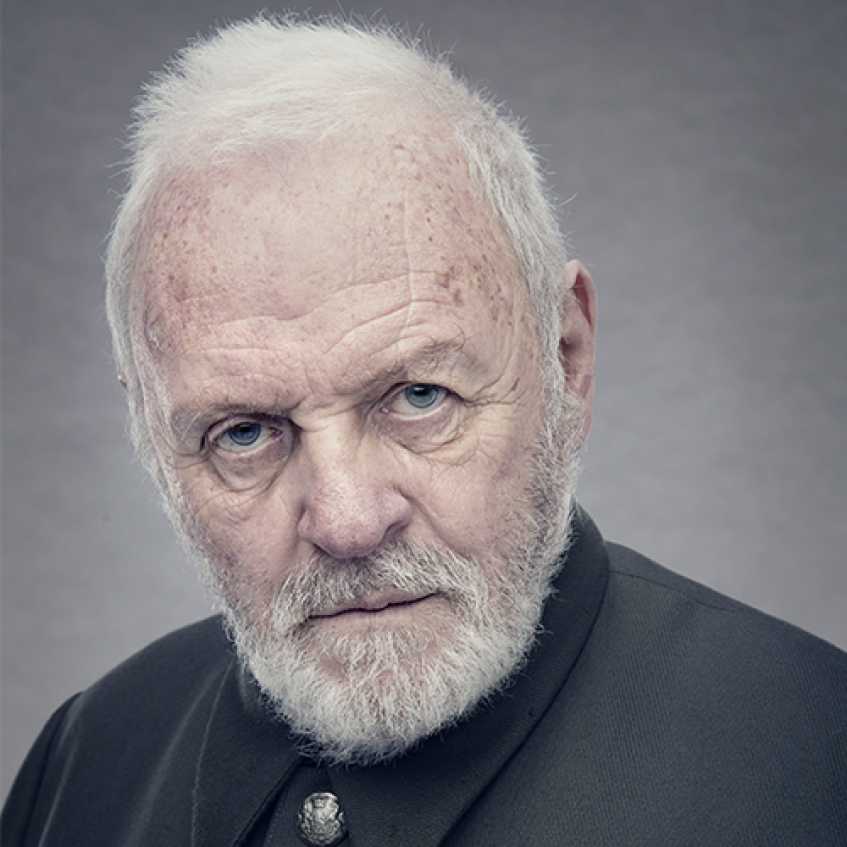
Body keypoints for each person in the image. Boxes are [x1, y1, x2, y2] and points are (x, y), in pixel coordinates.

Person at [3, 15, 845, 846]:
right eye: (245, 433)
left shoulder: (815, 757)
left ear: (565, 358)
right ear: (151, 435)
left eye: (417, 396)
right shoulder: (85, 763)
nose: (346, 523)